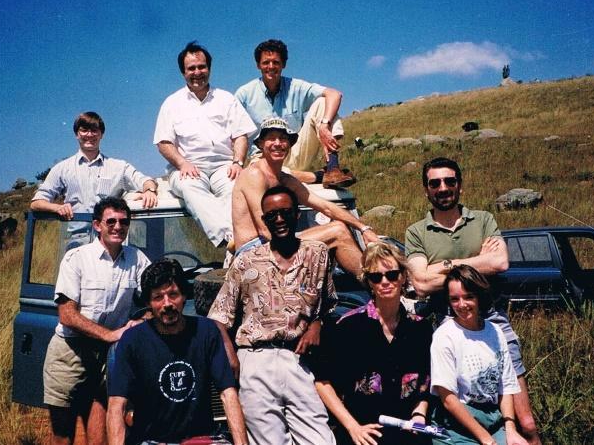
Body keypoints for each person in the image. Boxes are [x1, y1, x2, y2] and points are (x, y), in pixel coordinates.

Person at [404, 157, 540, 445]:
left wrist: (445, 265)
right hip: (448, 321)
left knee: (526, 422)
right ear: (426, 190)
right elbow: (421, 282)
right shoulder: (416, 232)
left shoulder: (483, 219)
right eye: (435, 183)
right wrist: (480, 261)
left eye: (450, 181)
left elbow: (501, 261)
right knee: (469, 418)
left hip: (493, 320)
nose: (443, 188)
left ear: (460, 186)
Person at [209, 185, 337, 445]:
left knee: (321, 439)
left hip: (299, 360)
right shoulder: (246, 261)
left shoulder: (317, 253)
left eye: (285, 213)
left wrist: (317, 325)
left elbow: (329, 304)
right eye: (271, 216)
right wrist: (231, 355)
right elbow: (219, 317)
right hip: (255, 359)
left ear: (297, 214)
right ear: (264, 220)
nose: (279, 220)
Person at [43, 197, 152, 445]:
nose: (118, 227)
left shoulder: (137, 259)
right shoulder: (77, 258)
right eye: (110, 221)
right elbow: (67, 314)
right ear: (97, 226)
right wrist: (111, 335)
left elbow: (154, 296)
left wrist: (141, 321)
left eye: (124, 222)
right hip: (70, 350)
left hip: (109, 352)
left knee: (102, 413)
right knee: (63, 429)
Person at [107, 258, 249, 445]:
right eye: (158, 297)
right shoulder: (132, 341)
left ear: (183, 296)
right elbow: (117, 407)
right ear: (149, 303)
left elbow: (228, 394)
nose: (167, 304)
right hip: (152, 440)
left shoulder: (206, 332)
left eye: (173, 294)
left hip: (202, 438)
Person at [314, 241, 432, 445]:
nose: (385, 282)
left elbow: (427, 381)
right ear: (369, 282)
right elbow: (323, 382)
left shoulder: (420, 328)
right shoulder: (347, 326)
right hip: (363, 432)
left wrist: (419, 415)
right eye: (376, 277)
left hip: (409, 430)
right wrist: (352, 427)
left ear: (403, 277)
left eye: (392, 275)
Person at [231, 116, 380, 277]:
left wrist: (364, 228)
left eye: (283, 139)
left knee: (338, 229)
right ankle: (374, 282)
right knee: (337, 231)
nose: (277, 144)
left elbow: (325, 207)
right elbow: (265, 229)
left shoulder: (285, 179)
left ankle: (374, 281)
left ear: (289, 144)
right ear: (261, 144)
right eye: (271, 138)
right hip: (253, 252)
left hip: (272, 245)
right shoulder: (254, 174)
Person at [154, 41, 257, 249]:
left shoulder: (226, 99)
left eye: (201, 67)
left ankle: (237, 246)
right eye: (191, 68)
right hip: (188, 168)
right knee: (191, 190)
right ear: (183, 72)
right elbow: (164, 142)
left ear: (209, 68)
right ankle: (234, 241)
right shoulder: (171, 103)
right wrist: (182, 163)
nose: (197, 72)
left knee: (235, 190)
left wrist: (238, 162)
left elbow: (241, 135)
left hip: (224, 166)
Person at [235, 39, 355, 188]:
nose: (271, 67)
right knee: (258, 172)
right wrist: (236, 163)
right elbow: (234, 131)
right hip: (262, 157)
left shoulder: (296, 87)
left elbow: (334, 94)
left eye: (276, 62)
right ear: (258, 65)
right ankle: (318, 176)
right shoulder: (244, 94)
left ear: (283, 64)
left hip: (294, 151)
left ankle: (333, 168)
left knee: (323, 103)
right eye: (266, 62)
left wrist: (324, 126)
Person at [430, 265, 529, 445]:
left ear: (479, 296)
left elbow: (505, 385)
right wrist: (486, 440)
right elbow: (448, 399)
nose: (462, 305)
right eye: (454, 299)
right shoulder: (444, 336)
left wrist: (510, 428)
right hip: (457, 425)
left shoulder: (495, 332)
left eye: (469, 297)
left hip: (493, 418)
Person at [32, 111, 159, 249]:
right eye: (84, 130)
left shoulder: (118, 167)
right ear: (77, 134)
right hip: (77, 242)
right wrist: (57, 208)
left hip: (110, 243)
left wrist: (150, 191)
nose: (89, 135)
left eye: (94, 130)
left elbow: (146, 180)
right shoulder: (62, 168)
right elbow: (36, 203)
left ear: (101, 134)